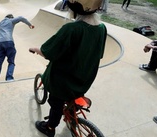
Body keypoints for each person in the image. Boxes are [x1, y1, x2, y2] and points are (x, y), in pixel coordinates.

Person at [28, 0, 107, 136]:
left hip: (64, 81)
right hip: (85, 79)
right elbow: (99, 54)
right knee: (71, 95)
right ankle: (71, 112)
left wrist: (35, 48)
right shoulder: (102, 28)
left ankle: (50, 127)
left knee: (55, 101)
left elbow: (49, 52)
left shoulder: (71, 29)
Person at [0, 14, 34, 82]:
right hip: (8, 41)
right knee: (11, 61)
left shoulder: (0, 23)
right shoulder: (11, 21)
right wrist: (29, 24)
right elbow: (21, 17)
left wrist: (1, 31)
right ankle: (9, 77)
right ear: (11, 18)